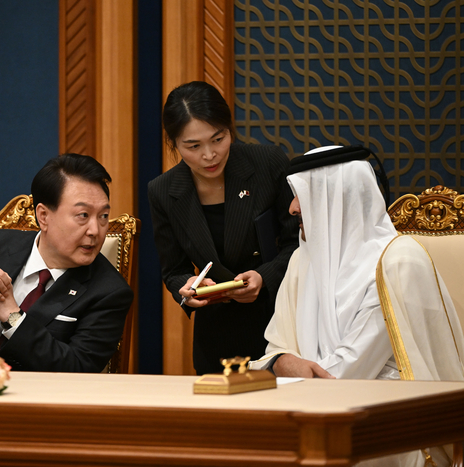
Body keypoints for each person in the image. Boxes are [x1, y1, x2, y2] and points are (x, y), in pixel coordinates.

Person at [251, 146, 464, 466]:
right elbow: (274, 350)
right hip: (310, 412)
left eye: (301, 194)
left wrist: (283, 367)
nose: (293, 208)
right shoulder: (302, 259)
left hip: (389, 426)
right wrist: (281, 362)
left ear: (337, 199)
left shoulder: (398, 262)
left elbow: (344, 375)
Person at [0, 154, 133, 373]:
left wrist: (13, 317)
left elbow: (78, 369)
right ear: (44, 216)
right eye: (83, 215)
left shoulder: (109, 292)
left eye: (104, 216)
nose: (96, 230)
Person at [148, 81, 299, 375]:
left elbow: (299, 243)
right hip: (217, 333)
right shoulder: (164, 190)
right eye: (193, 146)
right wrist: (189, 286)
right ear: (173, 143)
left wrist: (263, 276)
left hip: (280, 321)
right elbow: (173, 269)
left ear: (229, 129)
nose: (209, 155)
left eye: (218, 139)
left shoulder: (267, 163)